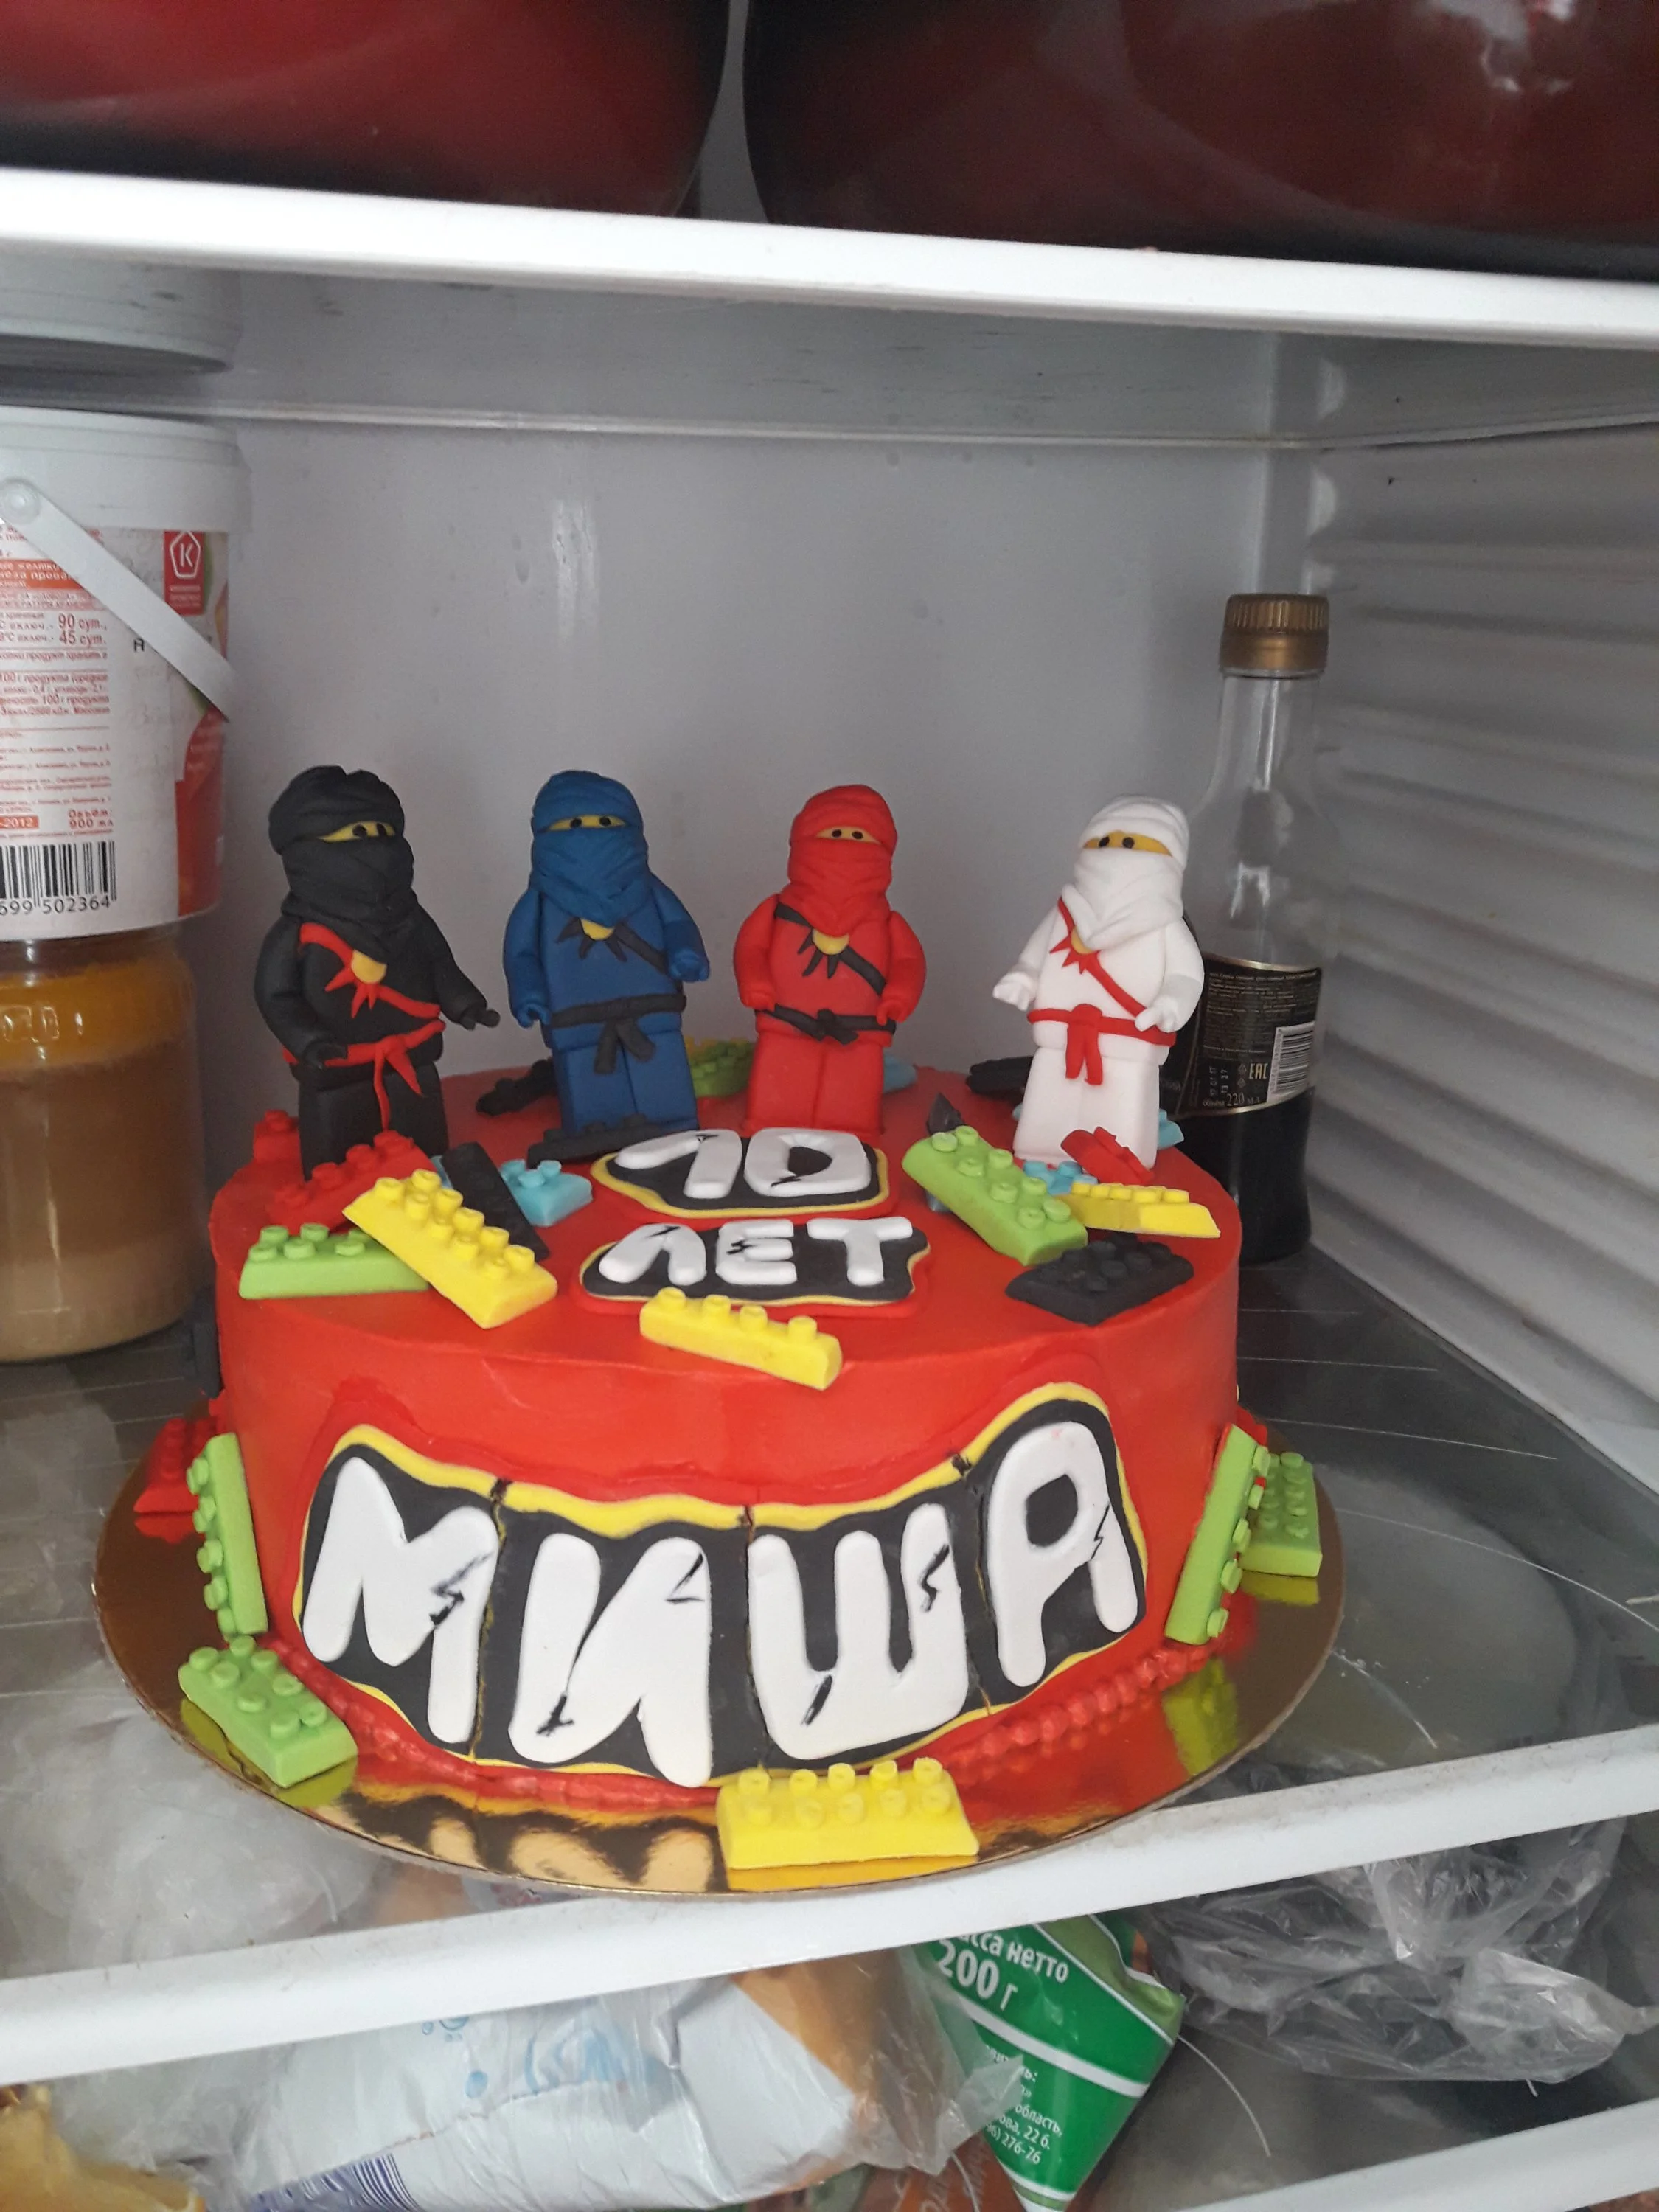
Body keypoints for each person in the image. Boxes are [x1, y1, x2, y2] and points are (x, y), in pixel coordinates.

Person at [255, 766, 498, 1175]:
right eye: (357, 833)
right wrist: (309, 1040)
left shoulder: (411, 919)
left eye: (383, 831)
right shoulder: (297, 934)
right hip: (337, 1068)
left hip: (413, 1056)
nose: (377, 847)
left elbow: (440, 964)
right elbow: (276, 994)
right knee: (339, 1154)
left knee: (426, 1150)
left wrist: (464, 1004)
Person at [502, 771, 708, 1158]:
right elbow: (521, 954)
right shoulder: (540, 903)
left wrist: (686, 953)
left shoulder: (648, 889)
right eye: (574, 824)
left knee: (660, 1066)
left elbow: (677, 924)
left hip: (653, 1011)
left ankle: (672, 1120)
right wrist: (528, 992)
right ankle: (597, 1129)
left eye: (605, 821)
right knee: (588, 1074)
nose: (591, 832)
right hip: (577, 1021)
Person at [994, 798, 1203, 1169]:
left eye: (1131, 843)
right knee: (1051, 1099)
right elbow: (1036, 956)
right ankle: (1042, 1149)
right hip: (1059, 1037)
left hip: (1128, 1040)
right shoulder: (1066, 912)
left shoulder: (1164, 924)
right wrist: (1024, 977)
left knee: (1120, 1110)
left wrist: (1171, 1004)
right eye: (1104, 841)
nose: (1116, 852)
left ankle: (1118, 1164)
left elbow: (1185, 975)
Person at [734, 785, 925, 1141]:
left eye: (859, 836)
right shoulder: (777, 910)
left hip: (858, 1034)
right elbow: (751, 947)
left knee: (851, 1093)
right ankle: (770, 1125)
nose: (846, 844)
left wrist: (900, 994)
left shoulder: (886, 921)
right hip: (786, 1024)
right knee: (780, 1086)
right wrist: (754, 980)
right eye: (835, 833)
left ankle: (853, 1133)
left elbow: (908, 959)